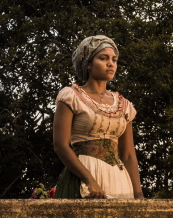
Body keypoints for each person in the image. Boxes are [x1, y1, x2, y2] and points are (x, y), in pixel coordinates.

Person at [53, 35, 143, 199]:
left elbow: (128, 155)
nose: (111, 63)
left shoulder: (124, 105)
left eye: (114, 59)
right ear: (88, 64)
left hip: (119, 179)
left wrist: (138, 194)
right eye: (103, 58)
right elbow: (61, 145)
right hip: (83, 176)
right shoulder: (70, 96)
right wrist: (90, 180)